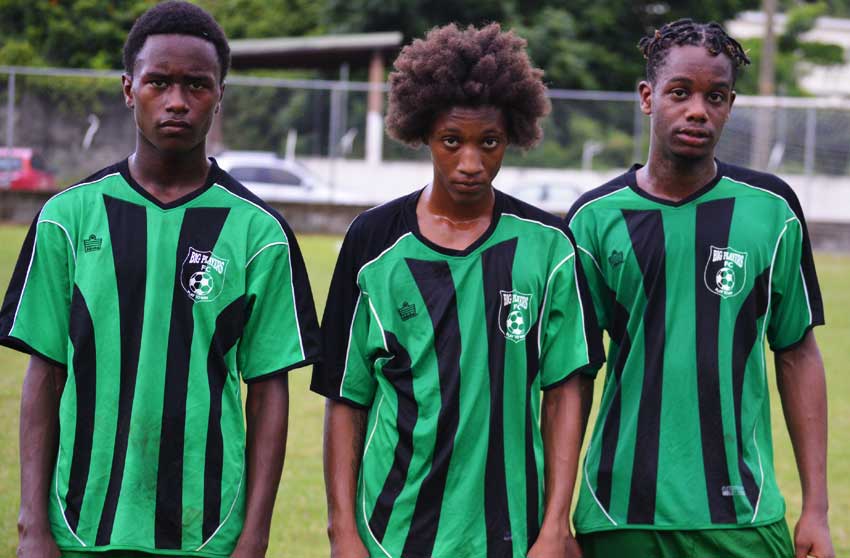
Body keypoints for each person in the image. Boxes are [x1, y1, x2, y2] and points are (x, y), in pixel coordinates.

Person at [0, 2, 321, 557]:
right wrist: (32, 524)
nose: (177, 100)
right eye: (159, 82)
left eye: (197, 85)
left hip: (206, 529)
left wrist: (254, 536)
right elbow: (45, 373)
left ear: (220, 95)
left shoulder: (259, 233)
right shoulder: (67, 218)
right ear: (129, 89)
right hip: (80, 523)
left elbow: (268, 391)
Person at [310, 22, 604, 558]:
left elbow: (565, 390)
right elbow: (345, 395)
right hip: (390, 531)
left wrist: (555, 525)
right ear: (423, 133)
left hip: (512, 531)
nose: (470, 163)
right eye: (452, 141)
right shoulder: (373, 241)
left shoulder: (548, 246)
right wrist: (343, 531)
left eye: (488, 142)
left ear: (511, 136)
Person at [567, 18, 834, 558]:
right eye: (680, 92)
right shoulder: (593, 221)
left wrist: (817, 510)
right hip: (620, 513)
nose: (697, 110)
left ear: (730, 105)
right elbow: (568, 377)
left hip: (742, 514)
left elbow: (798, 353)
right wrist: (552, 523)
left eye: (715, 96)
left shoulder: (771, 211)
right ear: (647, 97)